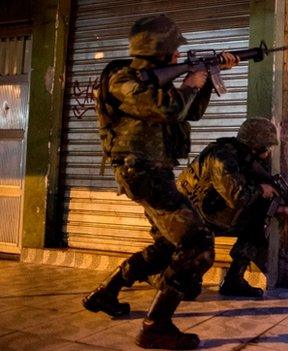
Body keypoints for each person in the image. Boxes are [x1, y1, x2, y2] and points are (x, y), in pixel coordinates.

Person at [82, 14, 239, 349]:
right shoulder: (123, 78)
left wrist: (208, 79)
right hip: (143, 172)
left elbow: (188, 112)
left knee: (169, 244)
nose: (179, 57)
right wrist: (189, 83)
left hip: (153, 172)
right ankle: (156, 325)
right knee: (198, 245)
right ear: (162, 51)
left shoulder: (159, 81)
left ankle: (106, 292)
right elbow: (168, 108)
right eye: (175, 51)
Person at [177, 117, 288, 298]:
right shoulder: (222, 157)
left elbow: (245, 195)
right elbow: (237, 197)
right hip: (186, 214)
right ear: (256, 144)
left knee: (257, 220)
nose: (269, 151)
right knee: (187, 291)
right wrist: (261, 189)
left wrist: (279, 208)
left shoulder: (243, 157)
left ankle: (234, 279)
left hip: (206, 210)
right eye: (267, 146)